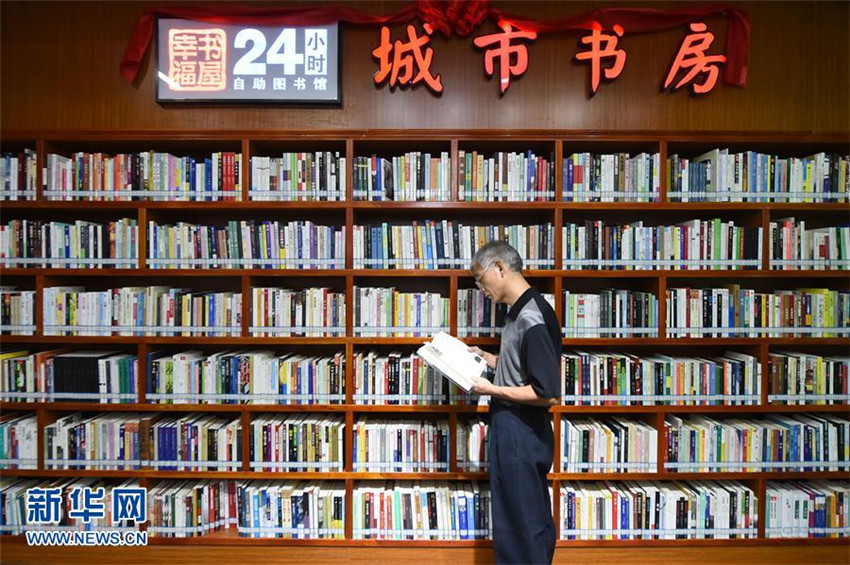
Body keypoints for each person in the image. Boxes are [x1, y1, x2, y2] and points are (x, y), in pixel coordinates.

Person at [465, 240, 560, 565]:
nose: (480, 288)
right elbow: (522, 368)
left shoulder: (531, 317)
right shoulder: (518, 311)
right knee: (511, 519)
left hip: (522, 429)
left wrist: (491, 390)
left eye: (480, 278)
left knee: (526, 522)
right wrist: (490, 359)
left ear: (500, 268)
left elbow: (546, 392)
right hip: (510, 425)